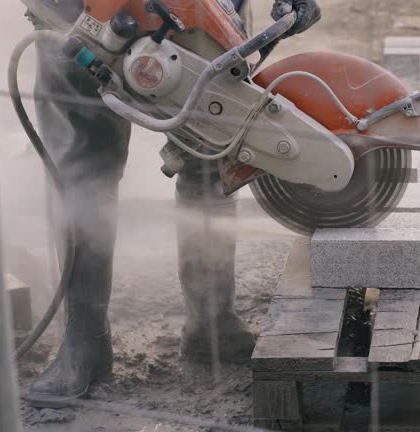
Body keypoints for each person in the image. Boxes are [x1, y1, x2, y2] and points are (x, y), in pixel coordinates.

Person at [24, 0, 321, 406]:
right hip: (78, 15)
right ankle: (85, 343)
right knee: (81, 177)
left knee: (208, 156)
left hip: (201, 12)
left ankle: (212, 327)